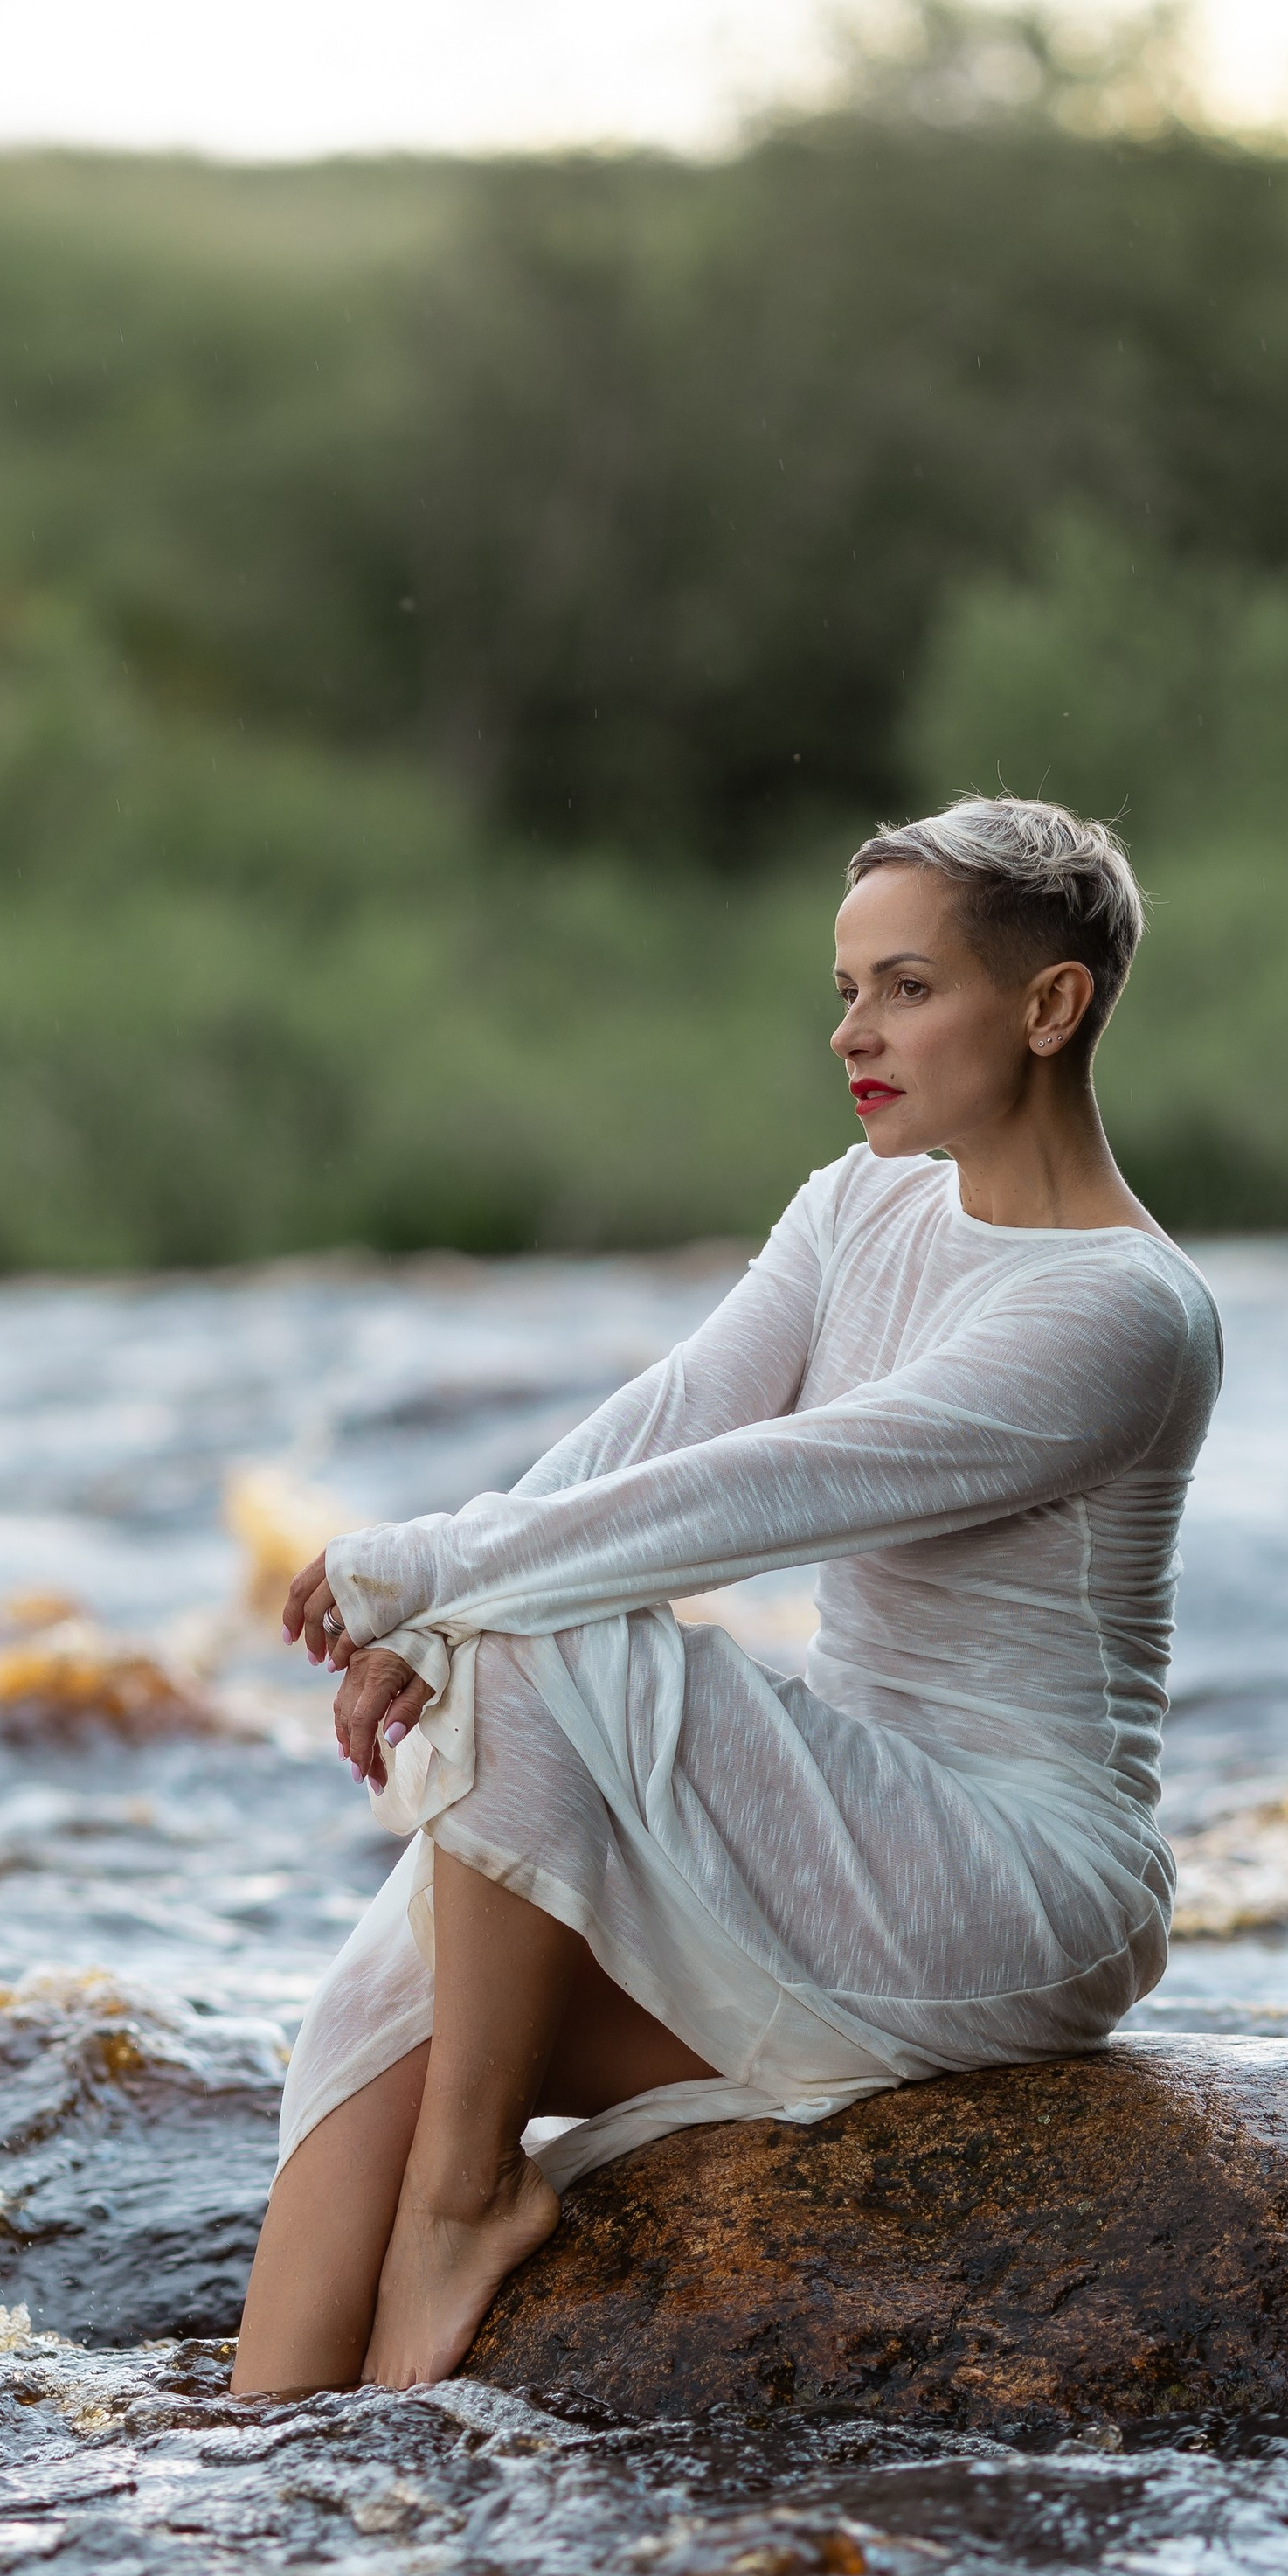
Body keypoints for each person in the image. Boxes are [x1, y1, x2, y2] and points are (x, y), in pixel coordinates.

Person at [231, 795, 1222, 2396]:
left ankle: (468, 2204)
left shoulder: (1127, 1311)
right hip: (832, 1837)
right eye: (849, 990)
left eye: (908, 988)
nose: (854, 1030)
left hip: (1014, 1880)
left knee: (550, 1645)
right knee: (379, 2021)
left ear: (1051, 1007)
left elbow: (771, 1490)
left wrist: (431, 1573)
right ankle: (260, 2464)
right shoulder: (859, 1202)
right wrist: (437, 1610)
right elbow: (674, 1423)